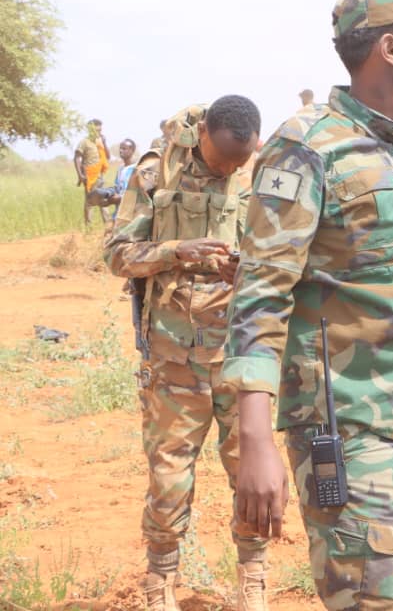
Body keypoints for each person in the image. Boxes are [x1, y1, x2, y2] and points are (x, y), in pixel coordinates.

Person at [221, 0, 393, 611]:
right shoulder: (307, 148)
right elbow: (260, 294)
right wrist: (254, 440)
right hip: (353, 434)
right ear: (389, 48)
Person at [105, 96, 269, 611]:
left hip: (241, 353)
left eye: (240, 163)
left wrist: (246, 269)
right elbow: (116, 254)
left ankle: (253, 580)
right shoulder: (155, 173)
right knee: (169, 476)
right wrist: (175, 252)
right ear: (201, 137)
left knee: (250, 470)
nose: (229, 172)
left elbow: (279, 258)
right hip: (174, 356)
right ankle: (160, 583)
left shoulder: (257, 174)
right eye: (222, 162)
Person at [73, 119, 111, 225]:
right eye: (96, 130)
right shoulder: (84, 142)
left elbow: (108, 157)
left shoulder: (100, 142)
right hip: (89, 176)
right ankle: (89, 227)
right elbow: (76, 158)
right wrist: (80, 175)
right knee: (90, 201)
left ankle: (108, 225)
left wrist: (104, 142)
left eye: (100, 130)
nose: (99, 132)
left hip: (100, 176)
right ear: (90, 130)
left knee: (104, 199)